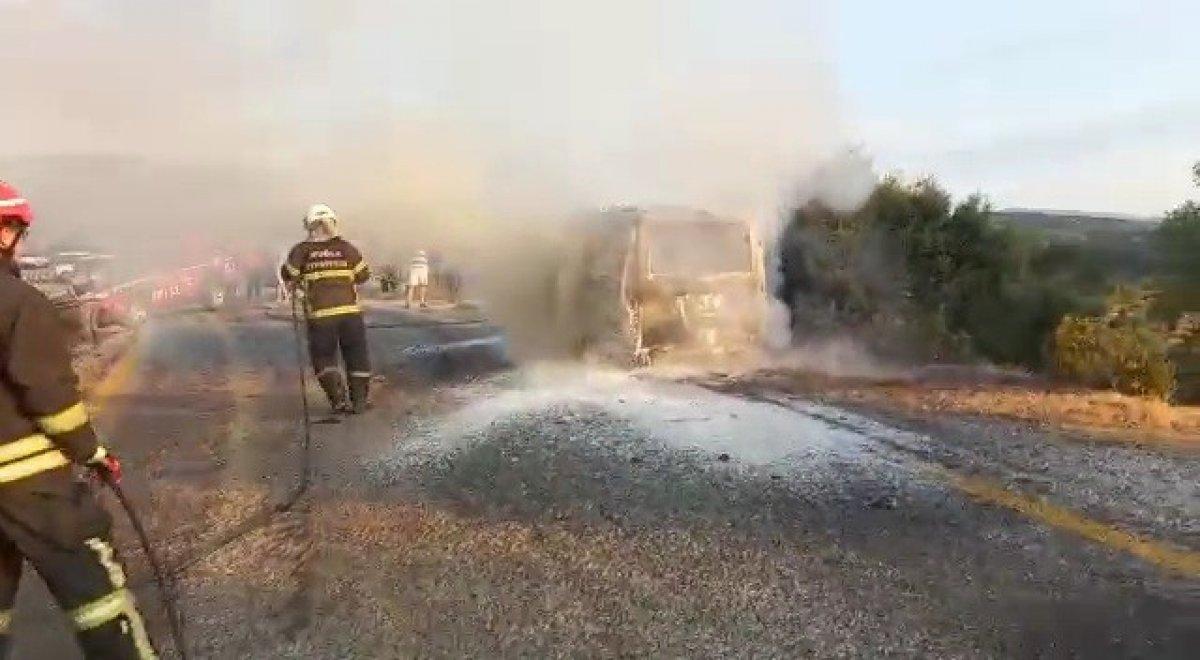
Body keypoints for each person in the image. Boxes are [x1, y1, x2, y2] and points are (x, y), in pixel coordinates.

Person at [0, 181, 158, 658]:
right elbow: (51, 399)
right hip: (31, 486)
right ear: (6, 232)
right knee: (97, 600)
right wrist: (91, 451)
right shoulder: (19, 302)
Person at [280, 204, 373, 414]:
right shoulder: (347, 248)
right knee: (357, 356)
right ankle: (359, 401)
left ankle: (338, 400)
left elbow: (288, 274)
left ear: (309, 226)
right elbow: (363, 275)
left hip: (320, 315)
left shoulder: (301, 250)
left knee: (323, 357)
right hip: (350, 313)